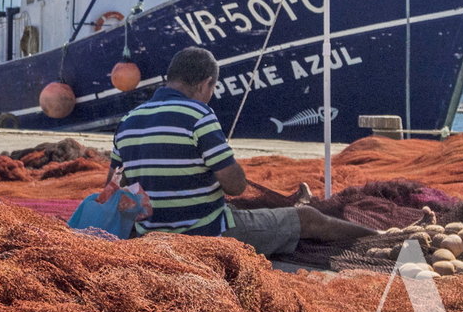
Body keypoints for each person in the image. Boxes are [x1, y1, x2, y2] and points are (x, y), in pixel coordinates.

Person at [107, 46, 376, 256]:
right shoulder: (198, 115)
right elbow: (235, 186)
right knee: (309, 218)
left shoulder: (128, 121)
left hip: (150, 234)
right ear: (206, 83)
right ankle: (381, 236)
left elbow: (112, 187)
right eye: (212, 88)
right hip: (207, 233)